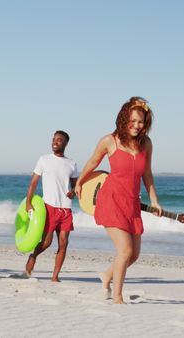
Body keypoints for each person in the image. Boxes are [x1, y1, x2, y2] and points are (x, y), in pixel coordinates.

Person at [75, 97, 162, 304]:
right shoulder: (109, 140)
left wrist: (154, 200)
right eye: (132, 121)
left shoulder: (146, 144)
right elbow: (93, 161)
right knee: (125, 250)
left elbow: (147, 174)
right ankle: (117, 296)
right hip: (111, 199)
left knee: (134, 255)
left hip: (132, 203)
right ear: (124, 119)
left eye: (141, 122)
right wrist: (80, 182)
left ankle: (107, 276)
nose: (136, 126)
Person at [24, 130, 79, 282]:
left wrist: (73, 192)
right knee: (47, 242)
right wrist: (28, 202)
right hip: (49, 206)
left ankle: (55, 276)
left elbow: (75, 186)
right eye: (54, 139)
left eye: (59, 140)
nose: (55, 142)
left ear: (66, 143)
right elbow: (33, 182)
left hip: (66, 208)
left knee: (64, 243)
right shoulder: (44, 159)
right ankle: (33, 256)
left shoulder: (72, 163)